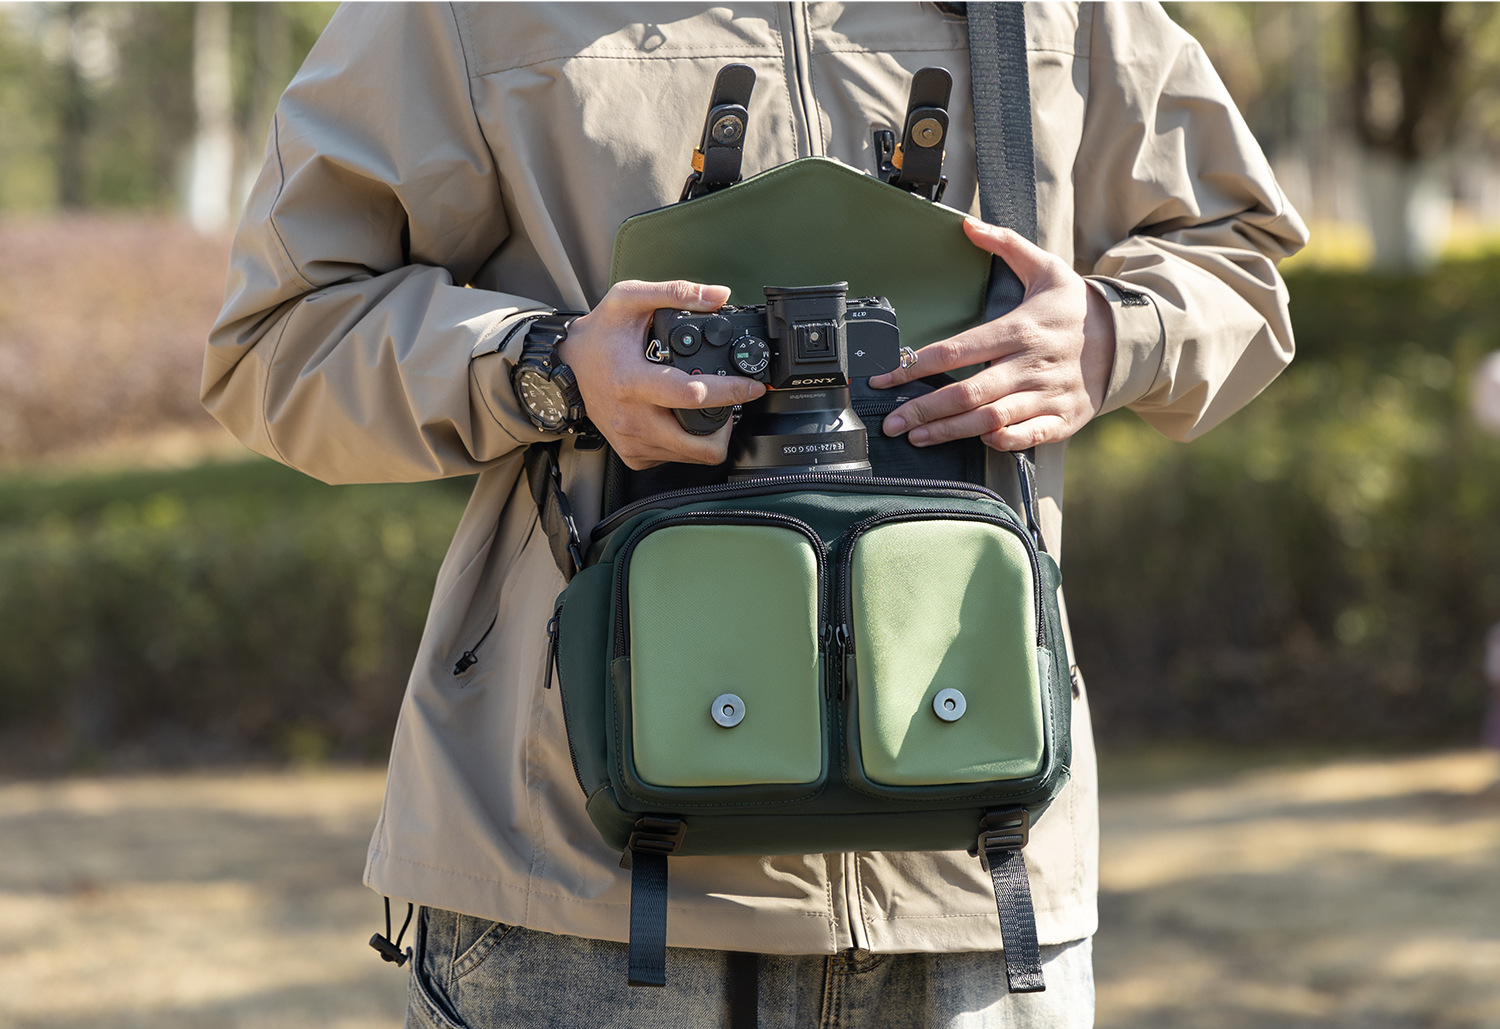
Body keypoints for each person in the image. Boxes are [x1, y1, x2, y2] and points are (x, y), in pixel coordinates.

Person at [204, 4, 1306, 1026]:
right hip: (579, 892)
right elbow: (280, 337)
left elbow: (1238, 255)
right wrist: (545, 368)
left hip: (980, 878)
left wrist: (1111, 337)